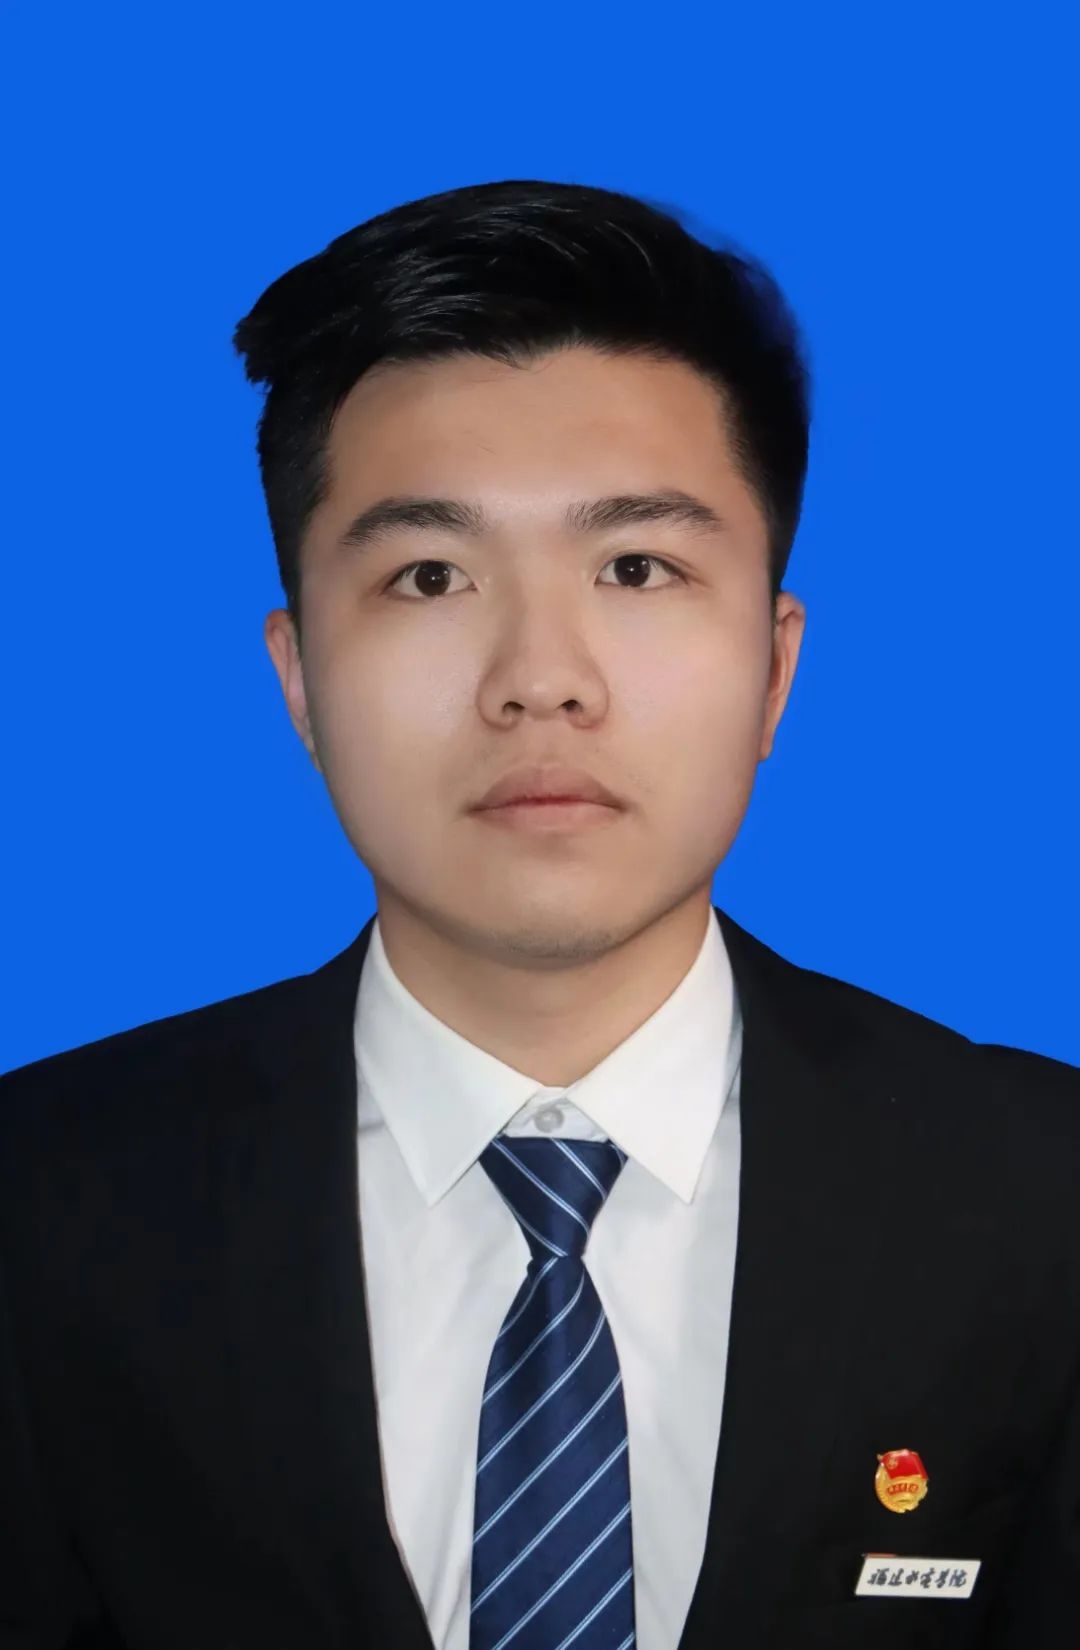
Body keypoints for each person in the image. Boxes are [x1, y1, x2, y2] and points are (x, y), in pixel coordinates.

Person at [1, 179, 1077, 1650]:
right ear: (300, 679)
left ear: (774, 667)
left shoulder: (1041, 1202)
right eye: (429, 575)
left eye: (636, 567)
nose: (541, 680)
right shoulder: (43, 1210)